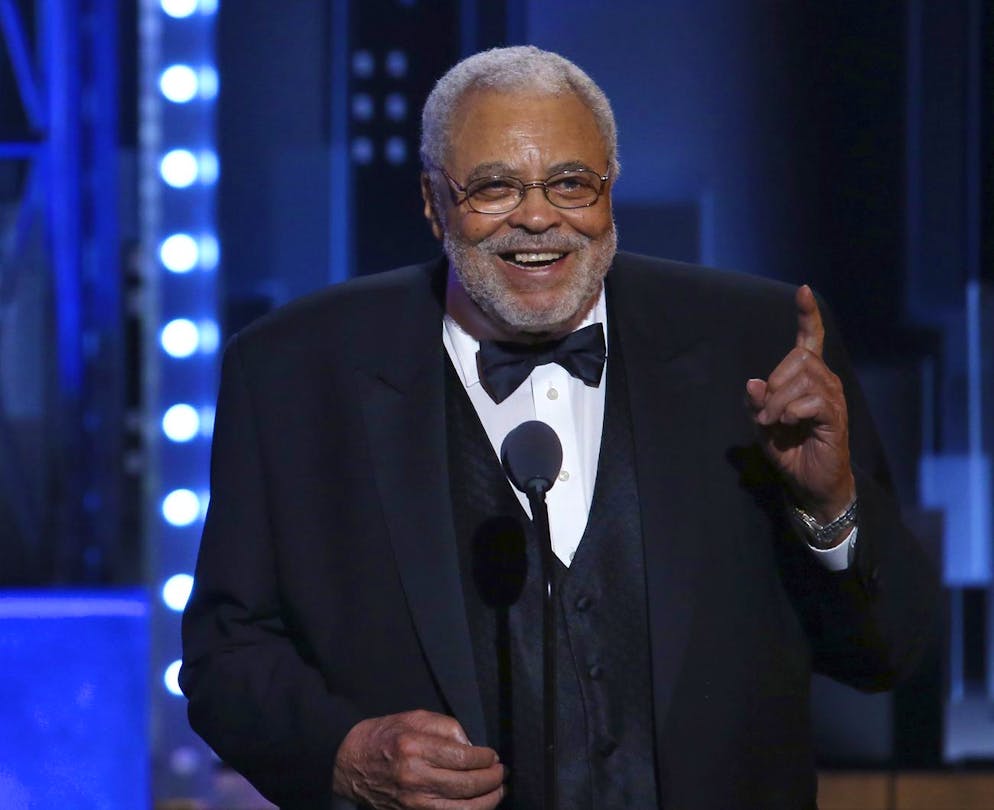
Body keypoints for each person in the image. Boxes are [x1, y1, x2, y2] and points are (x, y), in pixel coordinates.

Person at [180, 46, 938, 809]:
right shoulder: (293, 371)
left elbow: (889, 652)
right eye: (493, 187)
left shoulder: (761, 341)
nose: (538, 216)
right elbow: (226, 656)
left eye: (572, 183)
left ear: (611, 190)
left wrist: (829, 508)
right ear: (432, 202)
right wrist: (345, 754)